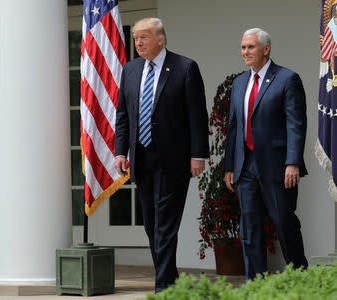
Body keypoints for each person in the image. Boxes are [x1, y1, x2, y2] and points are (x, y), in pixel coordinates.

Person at [114, 17, 209, 292]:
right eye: (135, 38)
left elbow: (196, 116)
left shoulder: (185, 67)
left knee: (165, 225)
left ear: (161, 39)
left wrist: (198, 154)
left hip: (174, 160)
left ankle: (164, 287)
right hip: (141, 159)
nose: (138, 42)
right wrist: (121, 151)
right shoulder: (130, 70)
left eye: (144, 37)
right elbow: (123, 115)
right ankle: (171, 281)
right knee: (152, 224)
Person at [224, 28, 308, 281]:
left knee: (284, 224)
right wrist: (230, 167)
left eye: (250, 47)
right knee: (249, 229)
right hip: (245, 166)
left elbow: (296, 124)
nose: (245, 52)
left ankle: (300, 279)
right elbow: (234, 127)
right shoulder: (239, 83)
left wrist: (292, 162)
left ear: (266, 49)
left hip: (278, 168)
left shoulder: (287, 79)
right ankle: (255, 285)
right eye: (242, 48)